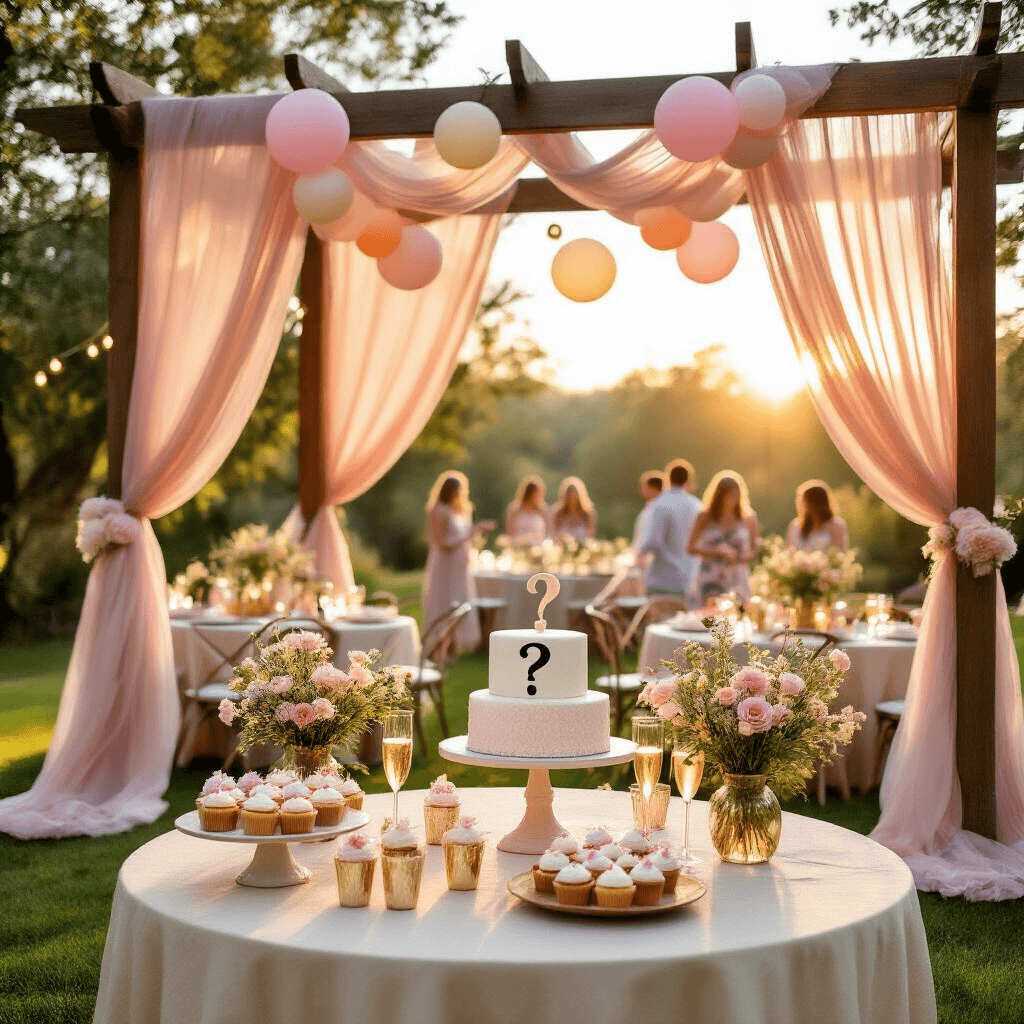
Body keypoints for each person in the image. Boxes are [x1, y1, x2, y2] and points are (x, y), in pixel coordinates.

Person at [422, 472, 494, 652]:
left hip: (459, 565)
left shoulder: (461, 510)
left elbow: (463, 537)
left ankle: (454, 641)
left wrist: (477, 533)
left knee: (459, 599)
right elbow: (442, 544)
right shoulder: (439, 511)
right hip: (445, 564)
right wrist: (470, 534)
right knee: (444, 599)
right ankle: (440, 642)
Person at [687, 470, 760, 603]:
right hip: (710, 578)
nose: (732, 500)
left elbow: (755, 552)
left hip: (737, 579)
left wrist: (736, 558)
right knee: (709, 621)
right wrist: (718, 552)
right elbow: (690, 548)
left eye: (735, 496)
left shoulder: (749, 518)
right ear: (719, 496)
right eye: (728, 496)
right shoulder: (705, 517)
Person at [638, 459, 703, 598]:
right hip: (689, 578)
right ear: (688, 480)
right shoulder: (697, 505)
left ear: (668, 478)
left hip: (662, 580)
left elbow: (652, 542)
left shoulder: (660, 503)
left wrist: (638, 556)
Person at [786, 480, 848, 552]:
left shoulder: (836, 525)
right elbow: (789, 551)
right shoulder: (795, 526)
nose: (799, 505)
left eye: (803, 502)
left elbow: (840, 552)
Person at [550, 477, 597, 541]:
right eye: (569, 496)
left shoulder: (588, 514)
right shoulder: (557, 513)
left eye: (574, 496)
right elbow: (553, 535)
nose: (572, 499)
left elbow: (591, 537)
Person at [505, 475, 549, 542]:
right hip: (518, 545)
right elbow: (509, 533)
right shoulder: (514, 509)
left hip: (538, 547)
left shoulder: (543, 510)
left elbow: (547, 533)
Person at [631, 470, 665, 554]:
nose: (642, 490)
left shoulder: (659, 509)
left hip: (649, 557)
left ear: (653, 488)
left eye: (645, 487)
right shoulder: (649, 506)